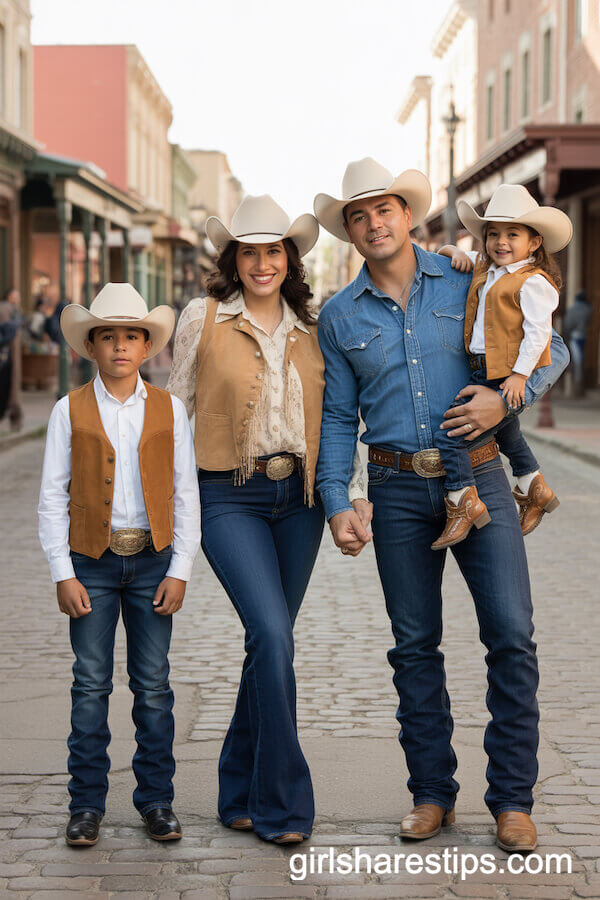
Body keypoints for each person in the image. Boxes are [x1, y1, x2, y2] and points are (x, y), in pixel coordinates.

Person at [313, 157, 569, 853]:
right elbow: (338, 417)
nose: (373, 224)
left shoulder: (470, 275)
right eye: (359, 216)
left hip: (483, 476)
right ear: (350, 230)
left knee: (511, 635)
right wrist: (337, 499)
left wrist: (504, 396)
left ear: (407, 214)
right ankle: (432, 795)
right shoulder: (338, 316)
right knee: (414, 648)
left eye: (384, 210)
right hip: (395, 489)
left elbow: (556, 348)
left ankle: (513, 800)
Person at [167, 195, 369, 844]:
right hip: (228, 497)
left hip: (300, 503)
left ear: (290, 259)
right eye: (249, 251)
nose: (261, 263)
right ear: (234, 259)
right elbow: (171, 418)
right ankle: (283, 806)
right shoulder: (201, 319)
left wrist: (347, 497)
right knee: (275, 637)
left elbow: (337, 423)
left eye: (272, 250)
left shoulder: (315, 327)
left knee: (267, 645)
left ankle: (237, 790)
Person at [38, 283, 200, 847]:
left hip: (154, 563)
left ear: (147, 344)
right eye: (109, 337)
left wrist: (181, 567)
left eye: (132, 336)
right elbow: (52, 497)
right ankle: (86, 805)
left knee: (153, 685)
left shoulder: (170, 409)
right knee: (90, 684)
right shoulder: (68, 410)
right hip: (92, 565)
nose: (121, 346)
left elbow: (185, 494)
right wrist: (63, 571)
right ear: (93, 346)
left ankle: (157, 801)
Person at [432, 184, 572, 547]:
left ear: (535, 242)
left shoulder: (532, 282)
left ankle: (462, 499)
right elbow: (463, 253)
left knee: (451, 434)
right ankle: (532, 486)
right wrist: (450, 250)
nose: (501, 241)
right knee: (509, 434)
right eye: (492, 234)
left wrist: (521, 375)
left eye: (513, 234)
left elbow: (539, 334)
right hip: (482, 368)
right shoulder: (493, 268)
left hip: (504, 373)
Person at [0, 288, 23, 430]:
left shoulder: (14, 310)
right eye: (16, 295)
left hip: (10, 354)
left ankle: (14, 418)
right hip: (6, 354)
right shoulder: (5, 308)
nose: (18, 298)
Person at [562, 290, 592, 397]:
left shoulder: (573, 309)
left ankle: (576, 388)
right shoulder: (589, 309)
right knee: (580, 361)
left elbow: (567, 324)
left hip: (574, 337)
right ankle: (579, 387)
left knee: (575, 362)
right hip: (583, 337)